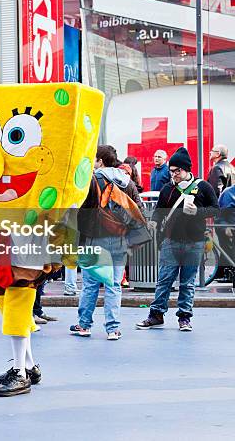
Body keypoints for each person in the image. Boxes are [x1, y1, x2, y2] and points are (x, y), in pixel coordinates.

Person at [137, 147, 219, 331]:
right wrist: (155, 222)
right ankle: (156, 315)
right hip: (171, 240)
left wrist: (198, 212)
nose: (173, 174)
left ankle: (184, 318)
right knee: (164, 280)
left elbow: (215, 208)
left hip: (195, 240)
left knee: (187, 282)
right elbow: (159, 211)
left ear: (186, 169)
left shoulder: (203, 186)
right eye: (171, 171)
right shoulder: (168, 188)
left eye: (177, 171)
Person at [70, 145, 134, 340]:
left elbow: (82, 212)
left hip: (95, 239)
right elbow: (137, 209)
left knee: (90, 284)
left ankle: (84, 325)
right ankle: (113, 329)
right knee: (114, 284)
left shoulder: (93, 180)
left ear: (100, 161)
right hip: (119, 239)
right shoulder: (127, 182)